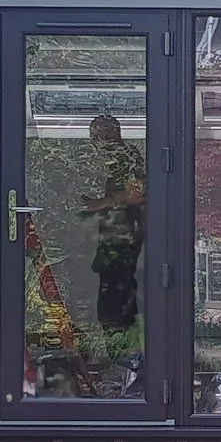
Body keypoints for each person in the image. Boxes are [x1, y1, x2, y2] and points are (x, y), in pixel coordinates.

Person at [82, 113, 146, 332]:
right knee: (110, 294)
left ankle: (125, 348)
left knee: (117, 297)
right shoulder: (106, 160)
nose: (96, 140)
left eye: (98, 134)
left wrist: (102, 203)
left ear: (112, 133)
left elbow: (137, 194)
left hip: (123, 237)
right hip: (110, 237)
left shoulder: (127, 157)